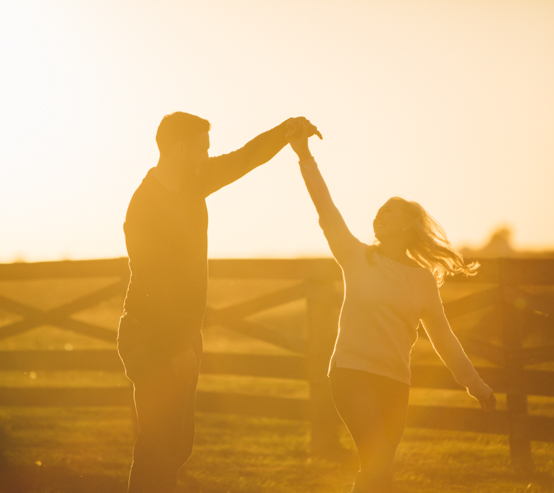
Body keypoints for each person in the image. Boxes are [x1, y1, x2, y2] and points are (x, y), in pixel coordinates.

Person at [286, 122, 496, 493]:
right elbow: (326, 207)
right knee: (378, 461)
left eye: (389, 213)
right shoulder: (356, 257)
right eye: (377, 213)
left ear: (407, 227)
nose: (378, 217)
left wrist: (474, 384)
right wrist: (304, 156)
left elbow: (444, 339)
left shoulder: (423, 281)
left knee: (377, 471)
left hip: (396, 384)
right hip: (352, 374)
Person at [117, 112, 311, 493]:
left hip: (183, 335)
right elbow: (151, 283)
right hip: (150, 336)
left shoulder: (194, 182)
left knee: (177, 445)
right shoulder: (143, 208)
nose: (209, 155)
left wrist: (286, 131)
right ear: (179, 149)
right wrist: (176, 348)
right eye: (203, 148)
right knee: (157, 445)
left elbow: (243, 159)